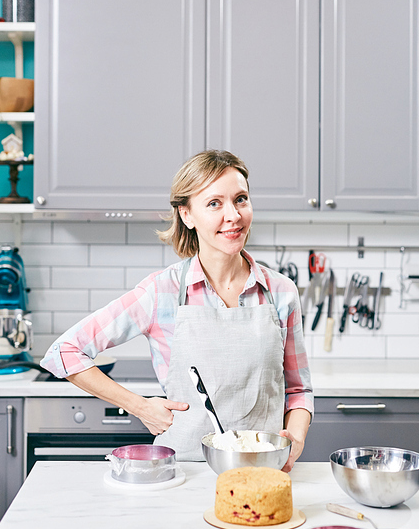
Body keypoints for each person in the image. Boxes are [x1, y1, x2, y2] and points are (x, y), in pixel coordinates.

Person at [41, 150, 313, 469]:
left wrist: (294, 438)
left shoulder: (281, 291)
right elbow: (65, 352)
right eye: (214, 203)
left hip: (263, 472)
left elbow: (298, 388)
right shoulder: (162, 292)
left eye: (241, 199)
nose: (234, 215)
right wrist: (139, 406)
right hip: (184, 471)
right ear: (186, 215)